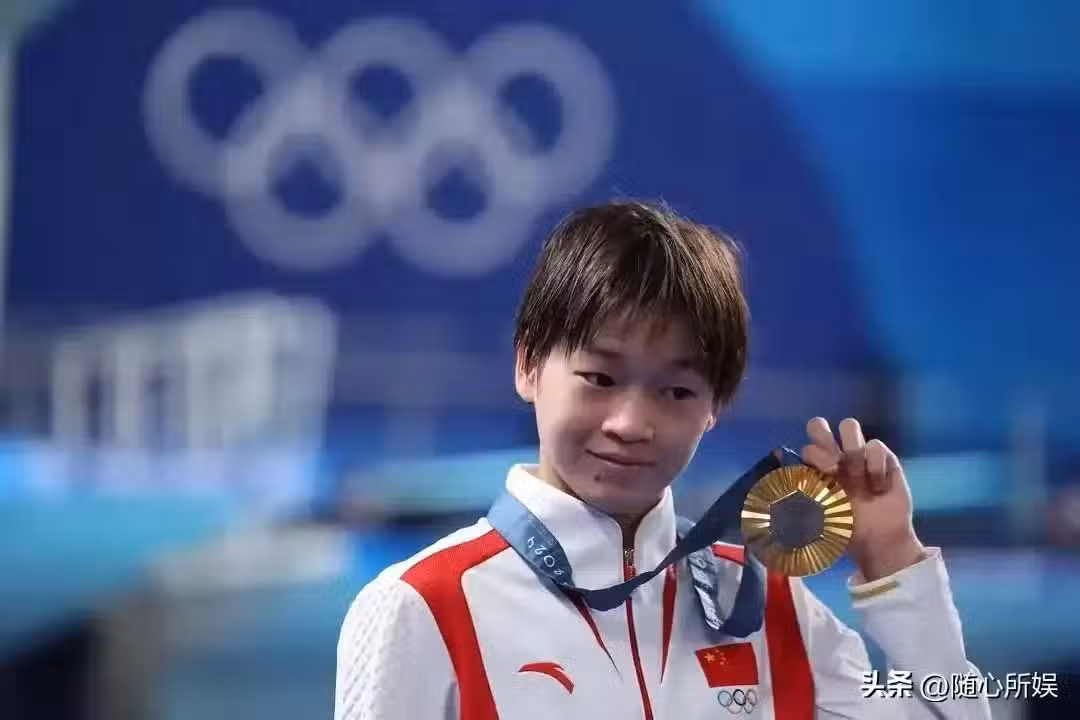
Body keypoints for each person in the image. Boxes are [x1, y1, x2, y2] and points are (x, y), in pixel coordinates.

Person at [334, 201, 991, 719]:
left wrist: (893, 559)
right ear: (528, 363)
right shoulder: (424, 606)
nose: (630, 424)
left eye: (676, 391)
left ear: (716, 406)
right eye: (600, 378)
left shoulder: (770, 609)